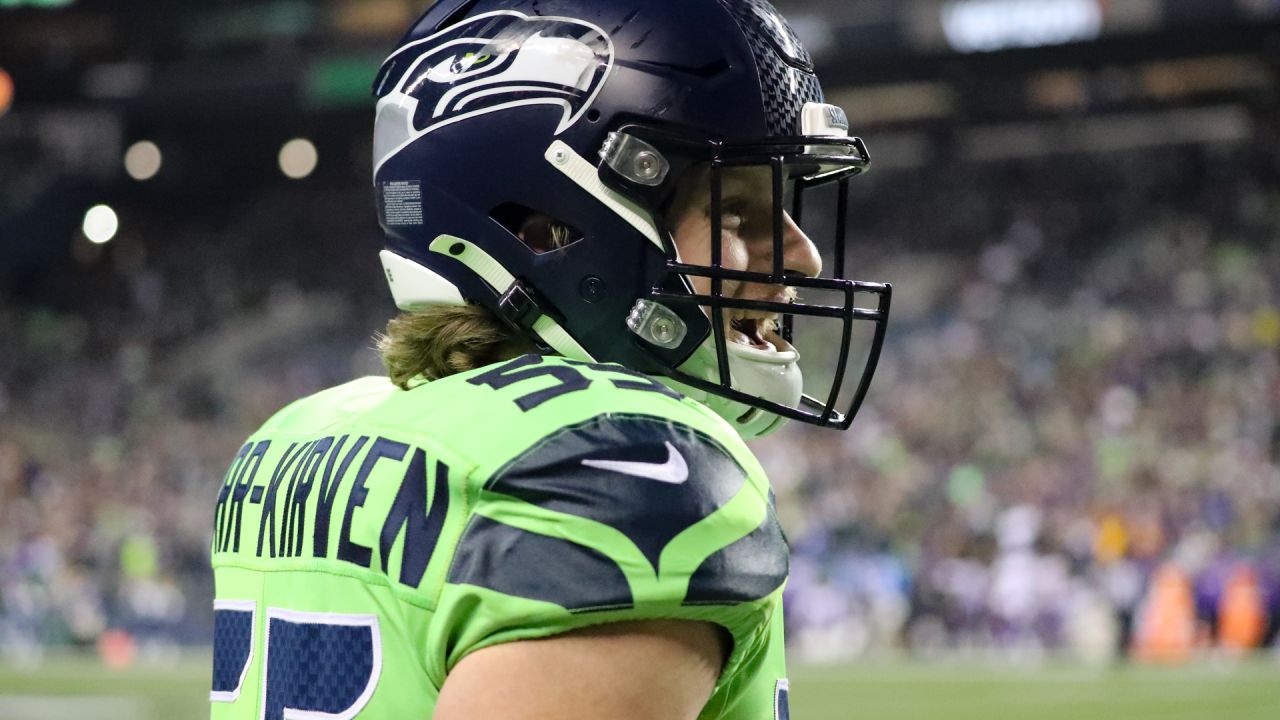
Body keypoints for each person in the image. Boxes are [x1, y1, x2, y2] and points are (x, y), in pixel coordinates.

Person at [210, 1, 890, 718]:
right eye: (735, 211)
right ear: (546, 225)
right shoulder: (626, 464)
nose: (803, 255)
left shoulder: (300, 432)